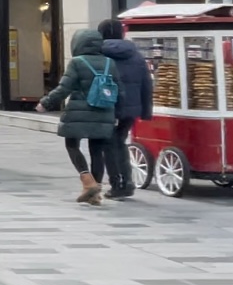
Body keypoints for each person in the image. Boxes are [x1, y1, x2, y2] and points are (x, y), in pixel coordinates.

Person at [40, 28, 118, 206]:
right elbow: (119, 89)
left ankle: (87, 181)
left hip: (78, 111)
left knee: (72, 144)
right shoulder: (109, 63)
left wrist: (45, 102)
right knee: (97, 150)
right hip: (104, 110)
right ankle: (94, 193)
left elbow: (64, 88)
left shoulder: (77, 62)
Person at [97, 18, 153, 198]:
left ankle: (118, 184)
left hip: (108, 105)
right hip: (131, 108)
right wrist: (146, 110)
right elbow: (146, 83)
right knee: (120, 142)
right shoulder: (135, 54)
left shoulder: (100, 54)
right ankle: (127, 181)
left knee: (108, 145)